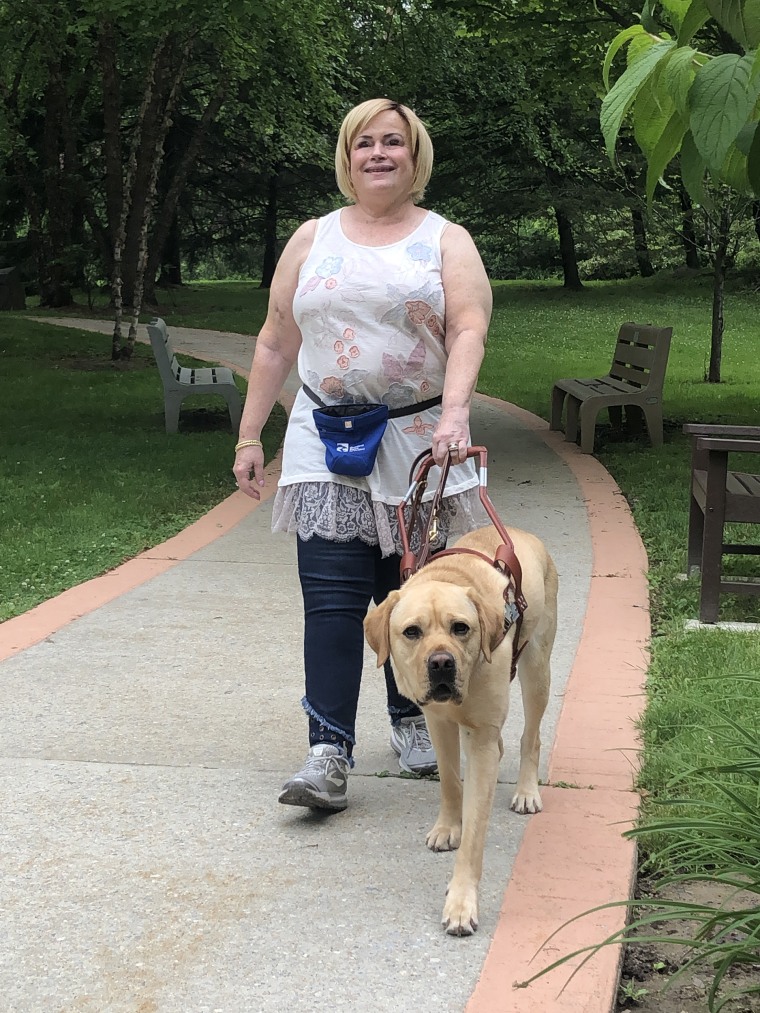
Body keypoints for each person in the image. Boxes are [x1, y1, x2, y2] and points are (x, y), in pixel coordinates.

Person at [233, 98, 492, 812]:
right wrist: (251, 435)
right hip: (326, 437)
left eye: (394, 143)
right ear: (348, 158)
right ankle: (327, 751)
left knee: (414, 596)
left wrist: (457, 412)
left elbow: (469, 327)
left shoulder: (446, 239)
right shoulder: (313, 237)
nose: (379, 154)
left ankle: (413, 719)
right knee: (334, 600)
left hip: (419, 446)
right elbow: (274, 341)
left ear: (416, 156)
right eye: (365, 143)